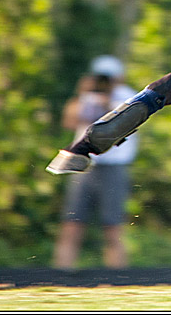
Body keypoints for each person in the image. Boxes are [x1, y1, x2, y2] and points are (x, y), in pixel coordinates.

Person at [52, 55, 138, 269]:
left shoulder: (127, 96)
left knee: (112, 227)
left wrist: (106, 99)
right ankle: (61, 275)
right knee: (72, 224)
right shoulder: (87, 97)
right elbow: (69, 121)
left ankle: (118, 277)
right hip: (84, 166)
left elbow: (120, 122)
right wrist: (82, 94)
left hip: (113, 168)